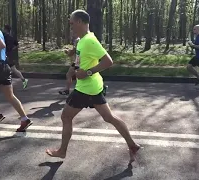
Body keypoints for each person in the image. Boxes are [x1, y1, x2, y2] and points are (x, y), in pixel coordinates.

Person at [46, 9, 140, 163]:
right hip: (93, 87)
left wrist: (88, 72)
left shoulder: (90, 40)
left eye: (71, 23)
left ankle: (62, 151)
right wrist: (72, 55)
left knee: (66, 116)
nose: (70, 27)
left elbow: (108, 61)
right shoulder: (83, 40)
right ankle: (132, 145)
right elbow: (81, 55)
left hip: (86, 88)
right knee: (109, 117)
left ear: (80, 22)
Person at [3, 25, 28, 89]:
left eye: (4, 29)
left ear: (6, 29)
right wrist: (12, 49)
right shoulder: (12, 37)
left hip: (5, 55)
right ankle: (23, 80)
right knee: (13, 69)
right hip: (11, 55)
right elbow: (17, 45)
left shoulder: (3, 37)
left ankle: (5, 83)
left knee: (3, 69)